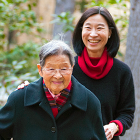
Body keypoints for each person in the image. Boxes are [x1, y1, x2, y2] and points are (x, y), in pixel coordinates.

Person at [17, 6, 135, 140]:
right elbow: (45, 95)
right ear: (81, 31)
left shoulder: (122, 72)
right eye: (88, 28)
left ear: (110, 32)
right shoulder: (66, 68)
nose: (93, 34)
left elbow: (127, 113)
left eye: (100, 28)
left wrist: (115, 126)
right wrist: (26, 91)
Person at [0, 40, 107, 140]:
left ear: (72, 68)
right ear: (40, 70)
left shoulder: (90, 103)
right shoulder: (19, 100)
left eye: (64, 69)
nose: (57, 75)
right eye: (51, 69)